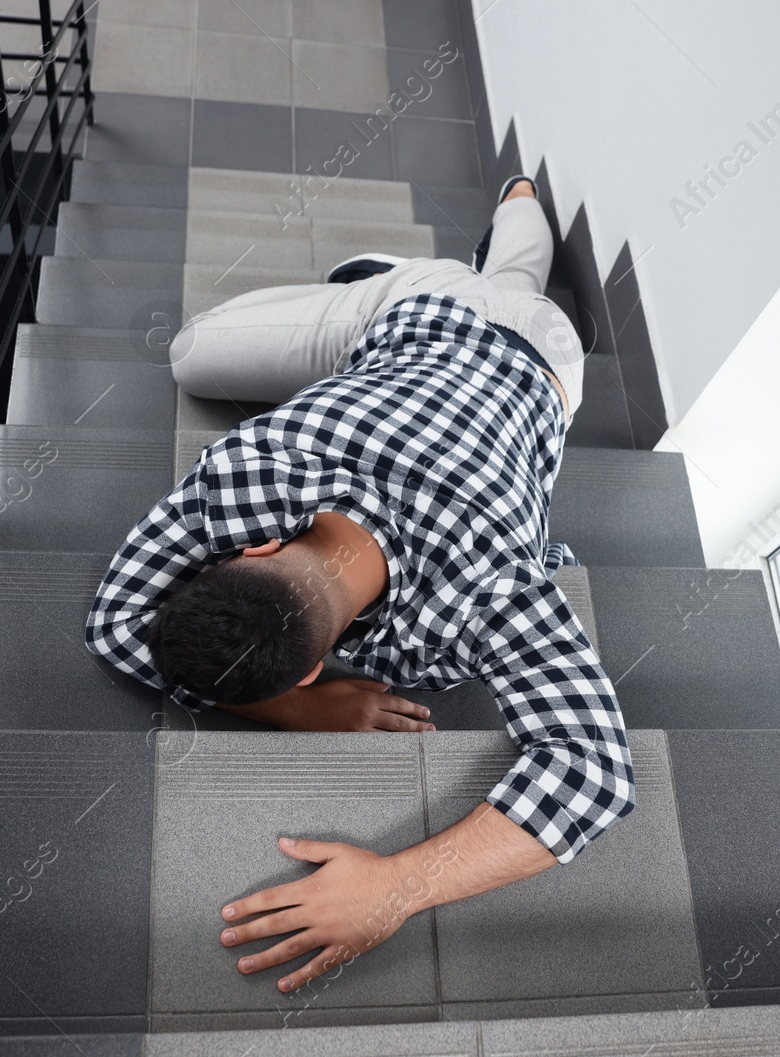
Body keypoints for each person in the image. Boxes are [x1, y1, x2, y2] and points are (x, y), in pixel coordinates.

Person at [86, 177, 634, 995]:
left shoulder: (492, 585)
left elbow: (600, 770)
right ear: (259, 547)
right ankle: (514, 207)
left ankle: (393, 267)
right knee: (198, 353)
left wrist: (395, 889)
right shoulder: (250, 485)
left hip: (423, 314)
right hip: (519, 352)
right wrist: (297, 705)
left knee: (190, 350)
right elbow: (115, 621)